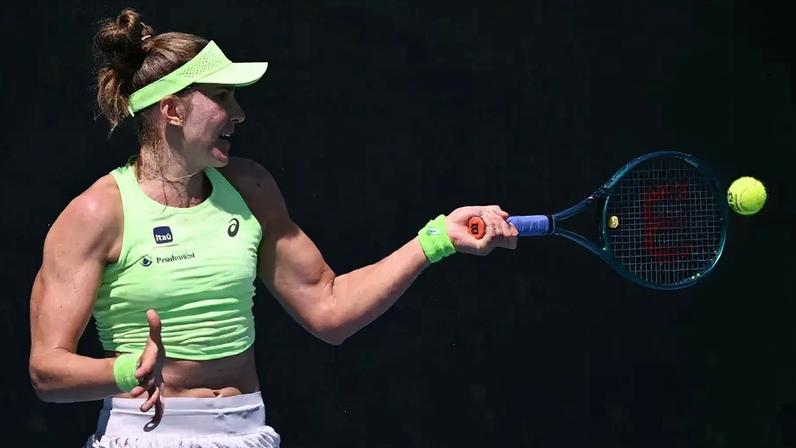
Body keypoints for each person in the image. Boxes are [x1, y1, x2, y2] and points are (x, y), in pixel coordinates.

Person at [28, 8, 518, 448]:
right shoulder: (96, 213)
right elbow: (47, 372)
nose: (239, 114)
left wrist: (436, 239)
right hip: (145, 435)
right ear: (172, 110)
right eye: (222, 97)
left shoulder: (250, 187)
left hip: (247, 431)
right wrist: (124, 370)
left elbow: (329, 308)